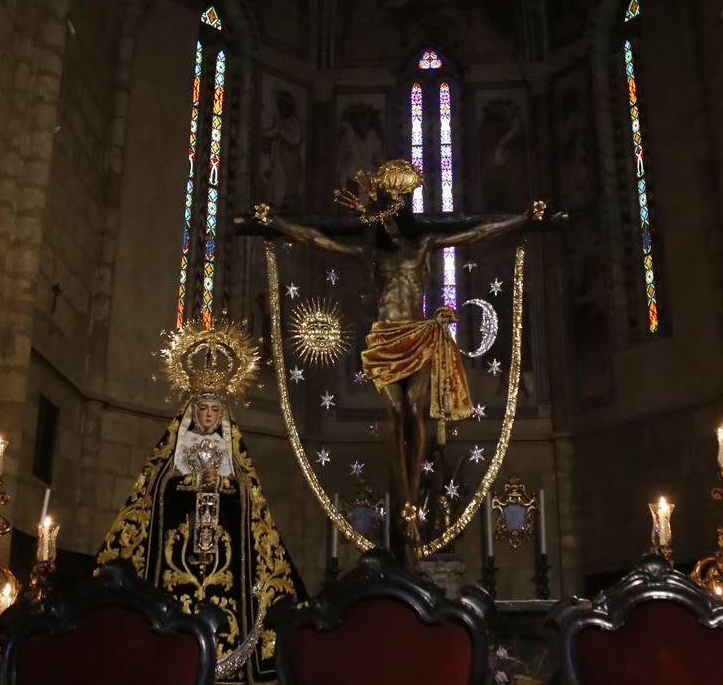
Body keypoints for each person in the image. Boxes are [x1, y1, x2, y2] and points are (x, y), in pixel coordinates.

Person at [252, 159, 556, 562]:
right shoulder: (371, 254)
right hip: (384, 339)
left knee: (414, 409)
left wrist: (521, 220)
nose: (391, 223)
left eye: (396, 212)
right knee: (396, 413)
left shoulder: (422, 246)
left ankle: (410, 497)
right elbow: (317, 240)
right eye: (385, 213)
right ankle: (406, 498)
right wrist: (275, 224)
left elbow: (476, 232)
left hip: (418, 335)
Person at [98, 322, 304, 684]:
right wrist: (191, 483)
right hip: (175, 556)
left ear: (222, 413)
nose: (208, 415)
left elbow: (250, 503)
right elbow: (154, 495)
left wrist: (224, 485)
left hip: (226, 560)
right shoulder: (173, 452)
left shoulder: (233, 453)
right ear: (193, 410)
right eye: (203, 409)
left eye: (214, 410)